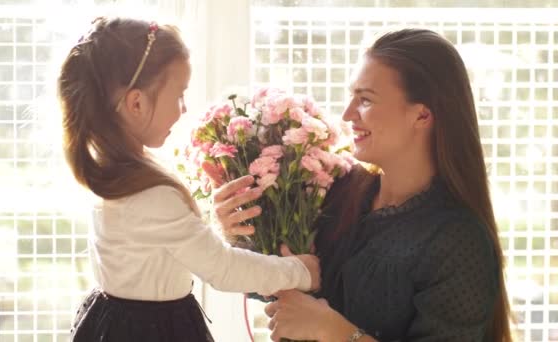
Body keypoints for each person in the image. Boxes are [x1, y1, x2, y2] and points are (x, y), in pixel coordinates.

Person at [212, 29, 512, 341]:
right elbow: (278, 287)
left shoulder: (458, 241)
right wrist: (241, 234)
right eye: (352, 96)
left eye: (365, 100)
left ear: (422, 115)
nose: (347, 114)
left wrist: (332, 330)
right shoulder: (333, 189)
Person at [57, 16, 320, 342]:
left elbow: (156, 256)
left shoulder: (116, 171)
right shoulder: (149, 192)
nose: (183, 109)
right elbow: (224, 270)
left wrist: (211, 231)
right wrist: (301, 271)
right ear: (136, 103)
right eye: (179, 94)